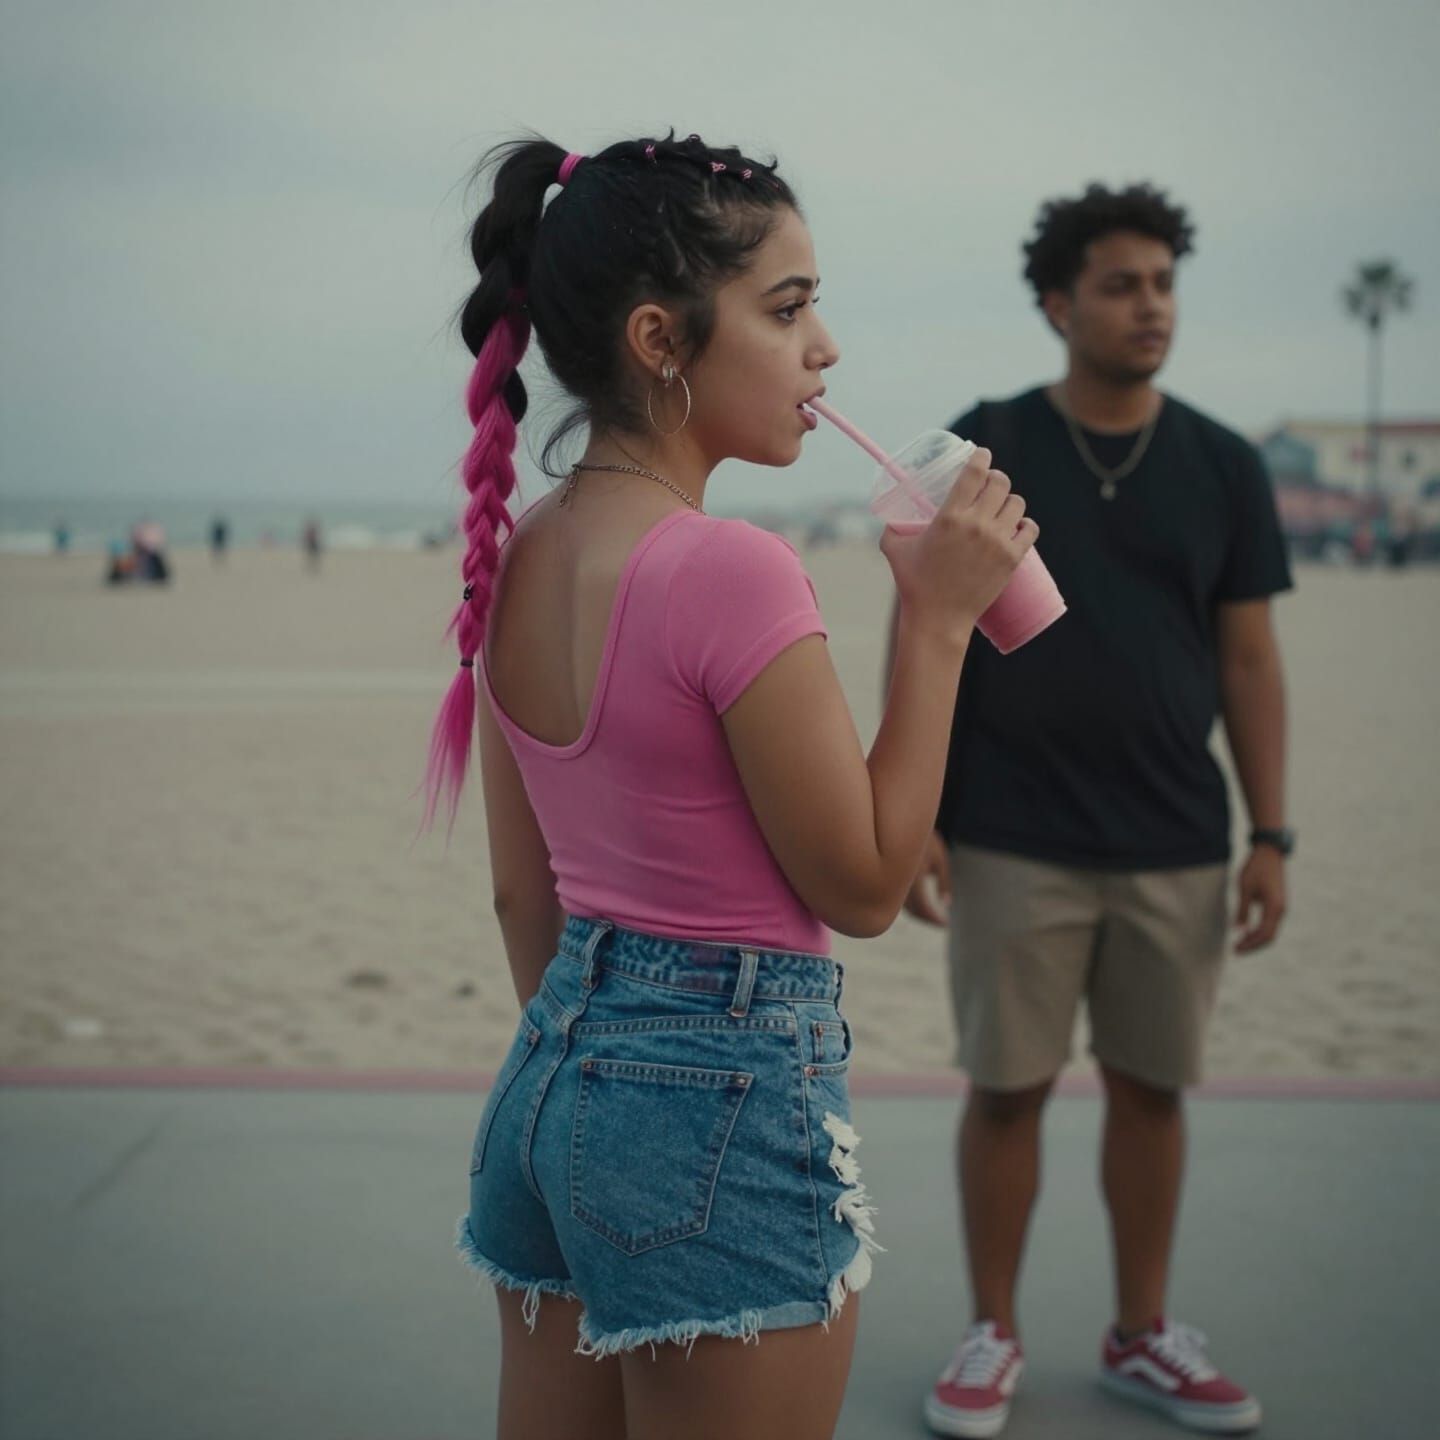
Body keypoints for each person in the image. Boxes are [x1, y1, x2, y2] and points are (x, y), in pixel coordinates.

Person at [422, 132, 1037, 1440]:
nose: (827, 350)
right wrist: (935, 625)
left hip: (548, 1087)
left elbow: (520, 891)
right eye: (789, 308)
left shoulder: (519, 554)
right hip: (714, 1098)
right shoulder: (729, 570)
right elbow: (866, 884)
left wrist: (599, 1091)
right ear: (660, 337)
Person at [891, 184, 1292, 1438]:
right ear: (1059, 302)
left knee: (1151, 1090)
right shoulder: (984, 446)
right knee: (1006, 1089)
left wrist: (1272, 833)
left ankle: (1141, 1334)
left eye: (1163, 284)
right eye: (1120, 285)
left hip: (1178, 835)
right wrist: (924, 816)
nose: (1149, 305)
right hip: (1010, 831)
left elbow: (1249, 662)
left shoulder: (1225, 464)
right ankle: (991, 1332)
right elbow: (927, 627)